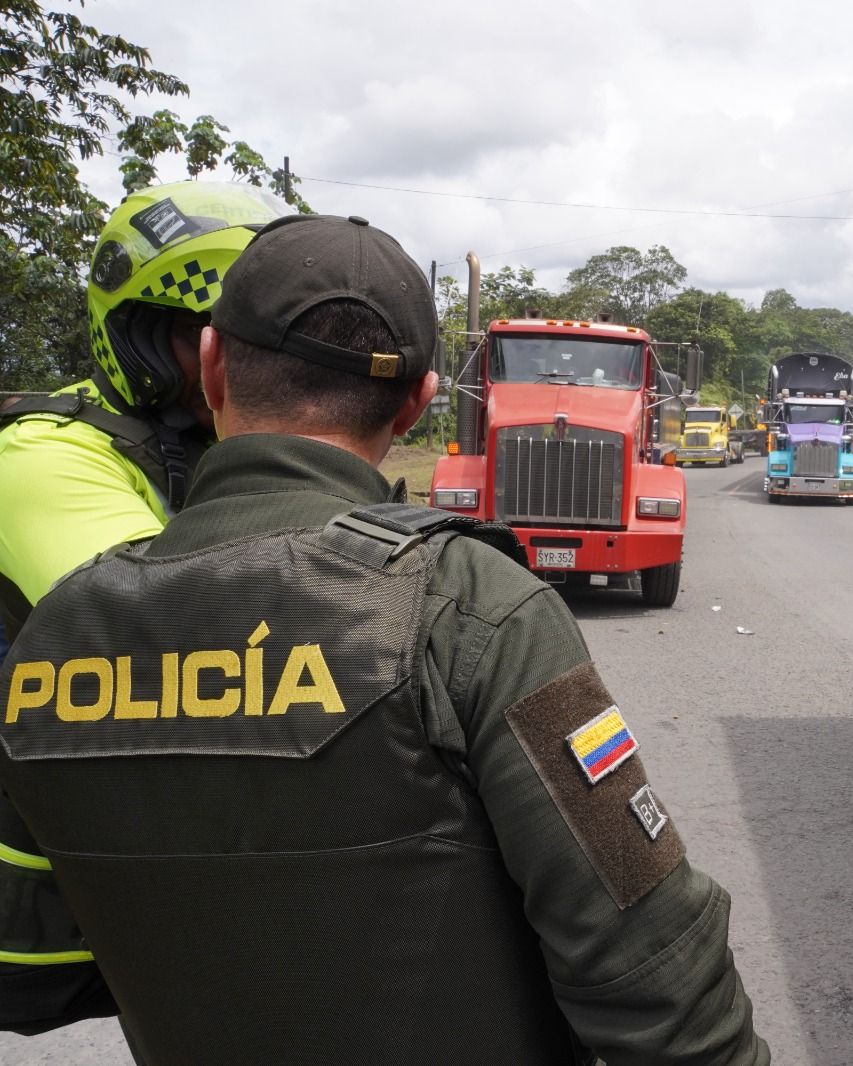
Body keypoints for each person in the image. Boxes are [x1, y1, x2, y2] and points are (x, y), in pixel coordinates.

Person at [0, 214, 768, 1065]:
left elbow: (26, 974)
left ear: (213, 365)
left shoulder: (62, 624)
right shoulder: (471, 607)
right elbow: (653, 970)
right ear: (419, 401)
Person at [0, 181, 293, 1035]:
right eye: (204, 340)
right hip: (36, 915)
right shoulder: (44, 460)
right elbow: (195, 636)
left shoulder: (205, 459)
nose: (227, 374)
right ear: (135, 335)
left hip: (138, 894)